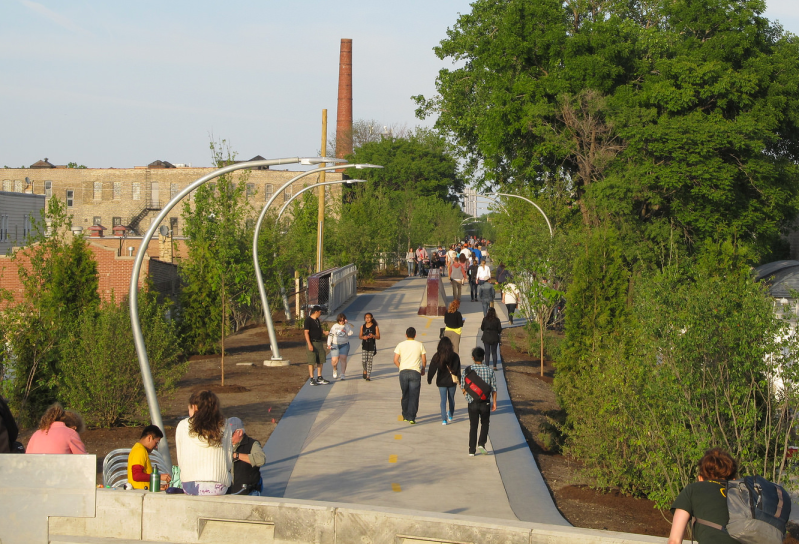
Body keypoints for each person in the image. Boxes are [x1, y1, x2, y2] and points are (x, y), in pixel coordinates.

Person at [669, 448, 740, 544]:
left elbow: (674, 541)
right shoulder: (741, 494)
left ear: (700, 478)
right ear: (734, 479)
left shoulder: (693, 489)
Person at [176, 390, 232, 496]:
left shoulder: (182, 425)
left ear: (194, 407)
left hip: (190, 485)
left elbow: (181, 459)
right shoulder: (225, 425)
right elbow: (228, 460)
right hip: (218, 486)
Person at [461, 347, 497, 456]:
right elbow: (493, 389)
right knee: (485, 423)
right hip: (485, 402)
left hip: (472, 402)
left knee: (473, 425)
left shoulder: (467, 371)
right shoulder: (490, 371)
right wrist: (494, 402)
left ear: (473, 358)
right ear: (483, 357)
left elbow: (463, 387)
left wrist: (468, 396)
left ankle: (472, 450)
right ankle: (481, 443)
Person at [393, 327, 427, 425]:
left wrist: (401, 367)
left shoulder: (400, 345)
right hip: (415, 372)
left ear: (406, 335)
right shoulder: (420, 345)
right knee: (414, 395)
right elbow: (424, 359)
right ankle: (412, 417)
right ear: (415, 335)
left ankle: (405, 415)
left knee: (405, 394)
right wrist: (423, 368)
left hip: (403, 372)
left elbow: (395, 360)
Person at [226, 417, 265, 496]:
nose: (227, 436)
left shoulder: (252, 444)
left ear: (240, 432)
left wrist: (236, 455)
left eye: (231, 434)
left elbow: (261, 459)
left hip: (249, 492)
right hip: (228, 492)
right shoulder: (224, 445)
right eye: (226, 433)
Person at [427, 336, 461, 425]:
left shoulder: (437, 356)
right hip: (452, 382)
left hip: (441, 381)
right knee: (451, 399)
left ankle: (444, 419)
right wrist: (460, 381)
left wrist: (429, 379)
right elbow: (458, 369)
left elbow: (432, 369)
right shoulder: (455, 356)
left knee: (443, 400)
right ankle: (451, 414)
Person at [127, 425, 171, 490]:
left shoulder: (140, 449)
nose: (156, 447)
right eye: (156, 443)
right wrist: (158, 476)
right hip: (140, 494)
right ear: (149, 438)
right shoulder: (140, 450)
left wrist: (158, 486)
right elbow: (136, 476)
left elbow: (144, 478)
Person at [304, 305, 330, 386]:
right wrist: (309, 344)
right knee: (311, 361)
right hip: (312, 342)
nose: (320, 314)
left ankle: (319, 377)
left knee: (321, 360)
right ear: (316, 312)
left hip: (319, 342)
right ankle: (312, 378)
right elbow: (306, 333)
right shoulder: (308, 320)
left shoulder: (317, 320)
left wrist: (324, 332)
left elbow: (319, 329)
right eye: (320, 312)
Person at [327, 313, 355, 380]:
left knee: (343, 358)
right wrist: (329, 344)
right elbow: (330, 335)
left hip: (344, 344)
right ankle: (335, 369)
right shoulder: (334, 326)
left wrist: (347, 324)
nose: (341, 322)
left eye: (343, 320)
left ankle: (342, 374)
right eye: (340, 321)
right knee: (334, 361)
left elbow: (350, 333)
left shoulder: (346, 326)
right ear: (338, 321)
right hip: (335, 344)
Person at [359, 312, 380, 381]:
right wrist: (363, 337)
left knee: (370, 361)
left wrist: (373, 336)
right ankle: (365, 370)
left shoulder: (375, 327)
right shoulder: (363, 326)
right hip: (364, 345)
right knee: (364, 360)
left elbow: (378, 337)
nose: (367, 319)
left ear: (372, 318)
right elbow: (360, 336)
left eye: (369, 317)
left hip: (371, 345)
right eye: (366, 318)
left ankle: (368, 376)